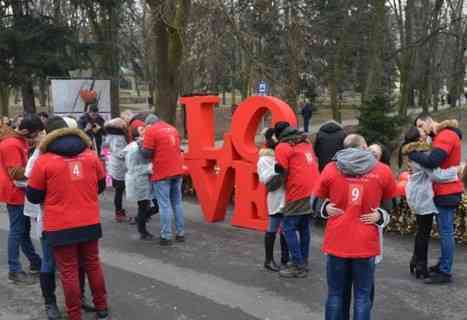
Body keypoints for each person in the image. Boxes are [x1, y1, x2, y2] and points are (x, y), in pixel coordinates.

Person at [26, 118, 110, 320]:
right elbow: (99, 186)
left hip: (59, 225)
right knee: (92, 264)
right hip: (89, 221)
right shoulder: (91, 156)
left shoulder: (44, 161)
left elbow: (33, 196)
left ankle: (74, 314)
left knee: (68, 270)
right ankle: (102, 307)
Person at [313, 134, 397, 320]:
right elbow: (392, 205)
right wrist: (380, 215)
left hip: (337, 241)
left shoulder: (330, 168)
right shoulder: (382, 170)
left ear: (344, 148)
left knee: (335, 294)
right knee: (362, 296)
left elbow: (315, 202)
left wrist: (325, 208)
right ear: (364, 147)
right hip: (365, 243)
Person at [400, 126, 460, 280]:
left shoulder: (412, 153)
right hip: (422, 195)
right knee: (424, 232)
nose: (427, 135)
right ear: (419, 139)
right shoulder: (420, 154)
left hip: (416, 193)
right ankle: (421, 266)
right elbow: (437, 175)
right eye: (423, 134)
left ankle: (415, 260)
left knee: (421, 230)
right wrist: (456, 169)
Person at [0, 114, 43, 285]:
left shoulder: (17, 140)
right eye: (36, 134)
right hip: (15, 191)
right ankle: (14, 269)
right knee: (18, 231)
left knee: (23, 230)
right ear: (25, 131)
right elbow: (16, 173)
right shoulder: (12, 144)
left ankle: (35, 262)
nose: (37, 137)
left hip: (18, 191)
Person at [274, 124, 319, 278]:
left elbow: (282, 173)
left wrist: (271, 185)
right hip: (313, 189)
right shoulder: (305, 142)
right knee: (304, 227)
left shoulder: (282, 147)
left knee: (288, 227)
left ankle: (298, 265)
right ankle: (303, 260)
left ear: (278, 136)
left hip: (297, 191)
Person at [142, 114, 185, 246]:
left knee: (164, 205)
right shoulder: (172, 129)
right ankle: (180, 233)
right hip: (177, 171)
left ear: (149, 124)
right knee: (177, 203)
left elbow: (147, 154)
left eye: (145, 126)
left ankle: (166, 236)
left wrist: (141, 145)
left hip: (162, 173)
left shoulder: (151, 131)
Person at [257, 128, 289, 272]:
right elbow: (265, 179)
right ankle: (268, 260)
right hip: (276, 197)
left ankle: (285, 259)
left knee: (285, 228)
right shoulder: (265, 159)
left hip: (287, 196)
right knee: (273, 227)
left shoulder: (282, 154)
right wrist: (280, 172)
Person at [124, 125, 156, 241]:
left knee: (147, 206)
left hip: (141, 180)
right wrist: (150, 167)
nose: (145, 132)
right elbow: (132, 167)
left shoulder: (140, 145)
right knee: (143, 206)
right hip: (138, 181)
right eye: (142, 130)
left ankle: (140, 222)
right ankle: (142, 231)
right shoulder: (134, 148)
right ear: (136, 135)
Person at [103, 117, 129, 223]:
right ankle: (118, 212)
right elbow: (120, 153)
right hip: (119, 168)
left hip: (115, 167)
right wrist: (130, 150)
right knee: (119, 191)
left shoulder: (110, 137)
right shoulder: (118, 138)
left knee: (119, 191)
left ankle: (119, 211)